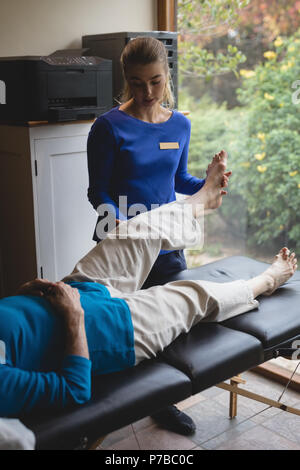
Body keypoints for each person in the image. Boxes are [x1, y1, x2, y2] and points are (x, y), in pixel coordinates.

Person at [0, 154, 297, 420]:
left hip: (74, 290)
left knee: (134, 230)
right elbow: (74, 390)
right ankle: (267, 280)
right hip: (109, 331)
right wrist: (74, 316)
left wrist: (26, 294)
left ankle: (204, 197)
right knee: (189, 296)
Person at [86, 36, 230, 434]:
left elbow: (179, 179)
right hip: (123, 245)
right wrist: (116, 222)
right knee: (122, 330)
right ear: (125, 80)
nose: (146, 92)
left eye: (154, 81)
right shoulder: (107, 127)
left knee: (168, 326)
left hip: (167, 243)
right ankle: (112, 406)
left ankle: (162, 403)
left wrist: (210, 182)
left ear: (167, 76)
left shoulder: (180, 124)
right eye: (136, 83)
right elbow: (97, 191)